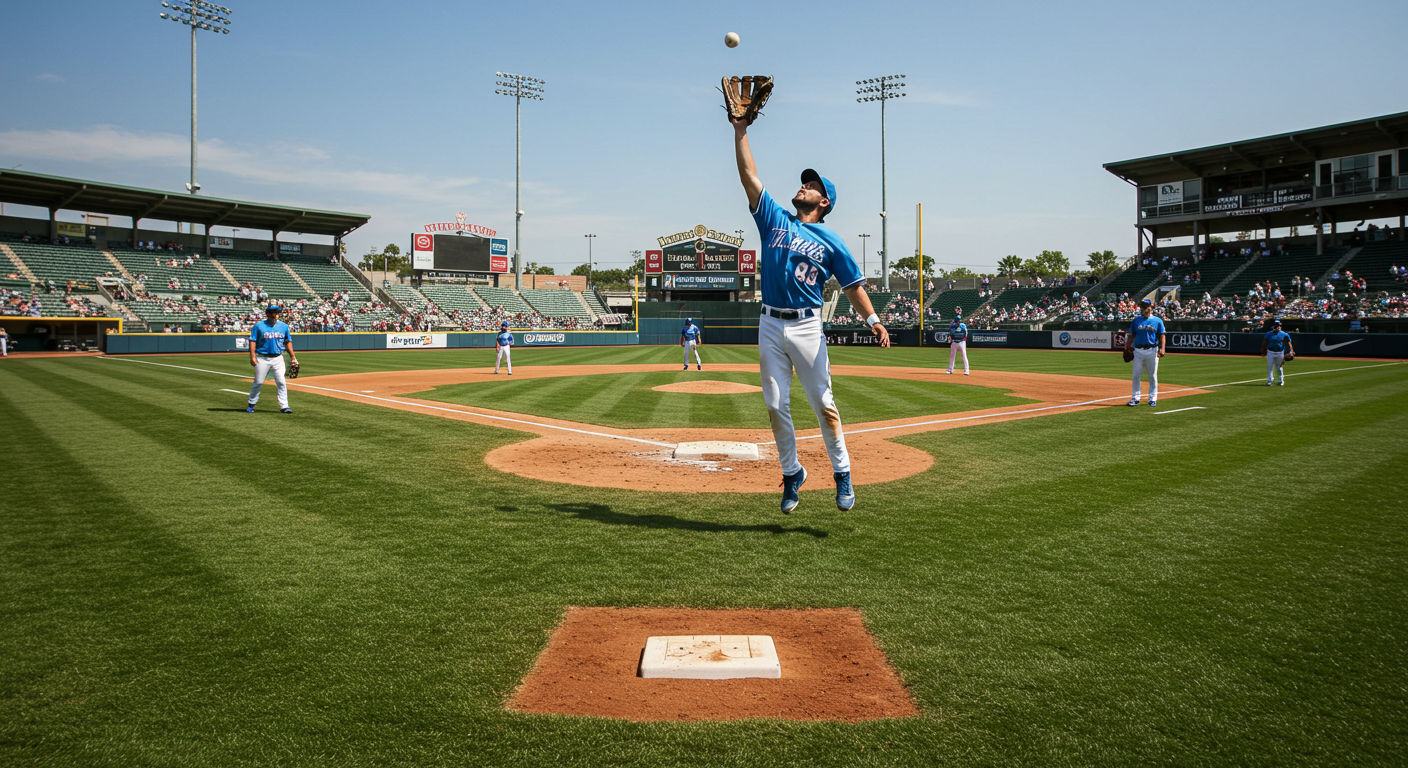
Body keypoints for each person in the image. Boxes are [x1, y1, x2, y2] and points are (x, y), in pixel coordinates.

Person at [731, 109, 889, 514]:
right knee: (773, 404)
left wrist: (872, 320)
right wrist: (741, 129)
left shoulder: (831, 239)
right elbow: (749, 177)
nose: (804, 186)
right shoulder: (774, 220)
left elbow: (853, 285)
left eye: (812, 185)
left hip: (805, 327)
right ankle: (792, 475)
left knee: (824, 405)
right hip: (769, 322)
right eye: (804, 182)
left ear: (825, 201)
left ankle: (842, 474)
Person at [246, 305, 297, 413]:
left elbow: (288, 342)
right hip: (262, 357)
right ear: (267, 314)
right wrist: (252, 356)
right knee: (259, 382)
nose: (274, 315)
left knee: (281, 382)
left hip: (278, 358)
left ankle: (284, 406)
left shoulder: (283, 326)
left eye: (276, 312)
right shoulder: (259, 326)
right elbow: (252, 341)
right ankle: (251, 404)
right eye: (272, 312)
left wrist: (293, 357)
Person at [1124, 298, 1166, 407]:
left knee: (1152, 376)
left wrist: (1163, 349)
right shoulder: (1136, 320)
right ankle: (1135, 398)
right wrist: (1127, 347)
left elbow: (1162, 335)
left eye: (1146, 307)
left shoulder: (1157, 320)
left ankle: (1152, 398)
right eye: (1142, 307)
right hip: (1138, 350)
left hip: (1152, 350)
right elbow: (1131, 334)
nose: (1144, 309)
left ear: (1150, 308)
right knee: (1136, 375)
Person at [1261, 319, 1293, 386]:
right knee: (1270, 367)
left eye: (1279, 326)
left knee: (1279, 367)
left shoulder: (1284, 334)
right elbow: (1265, 343)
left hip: (1280, 352)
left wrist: (1291, 351)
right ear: (1273, 327)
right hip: (1270, 352)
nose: (1278, 327)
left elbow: (1288, 343)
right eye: (1276, 326)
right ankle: (1269, 381)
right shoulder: (1268, 334)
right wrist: (1263, 351)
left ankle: (1281, 380)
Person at [947, 309, 969, 375]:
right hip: (954, 342)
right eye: (956, 321)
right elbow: (950, 333)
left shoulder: (963, 326)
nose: (957, 322)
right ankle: (950, 370)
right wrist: (950, 338)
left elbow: (966, 334)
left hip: (961, 342)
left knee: (964, 356)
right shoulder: (952, 326)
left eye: (958, 321)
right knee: (952, 356)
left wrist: (963, 340)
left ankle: (966, 370)